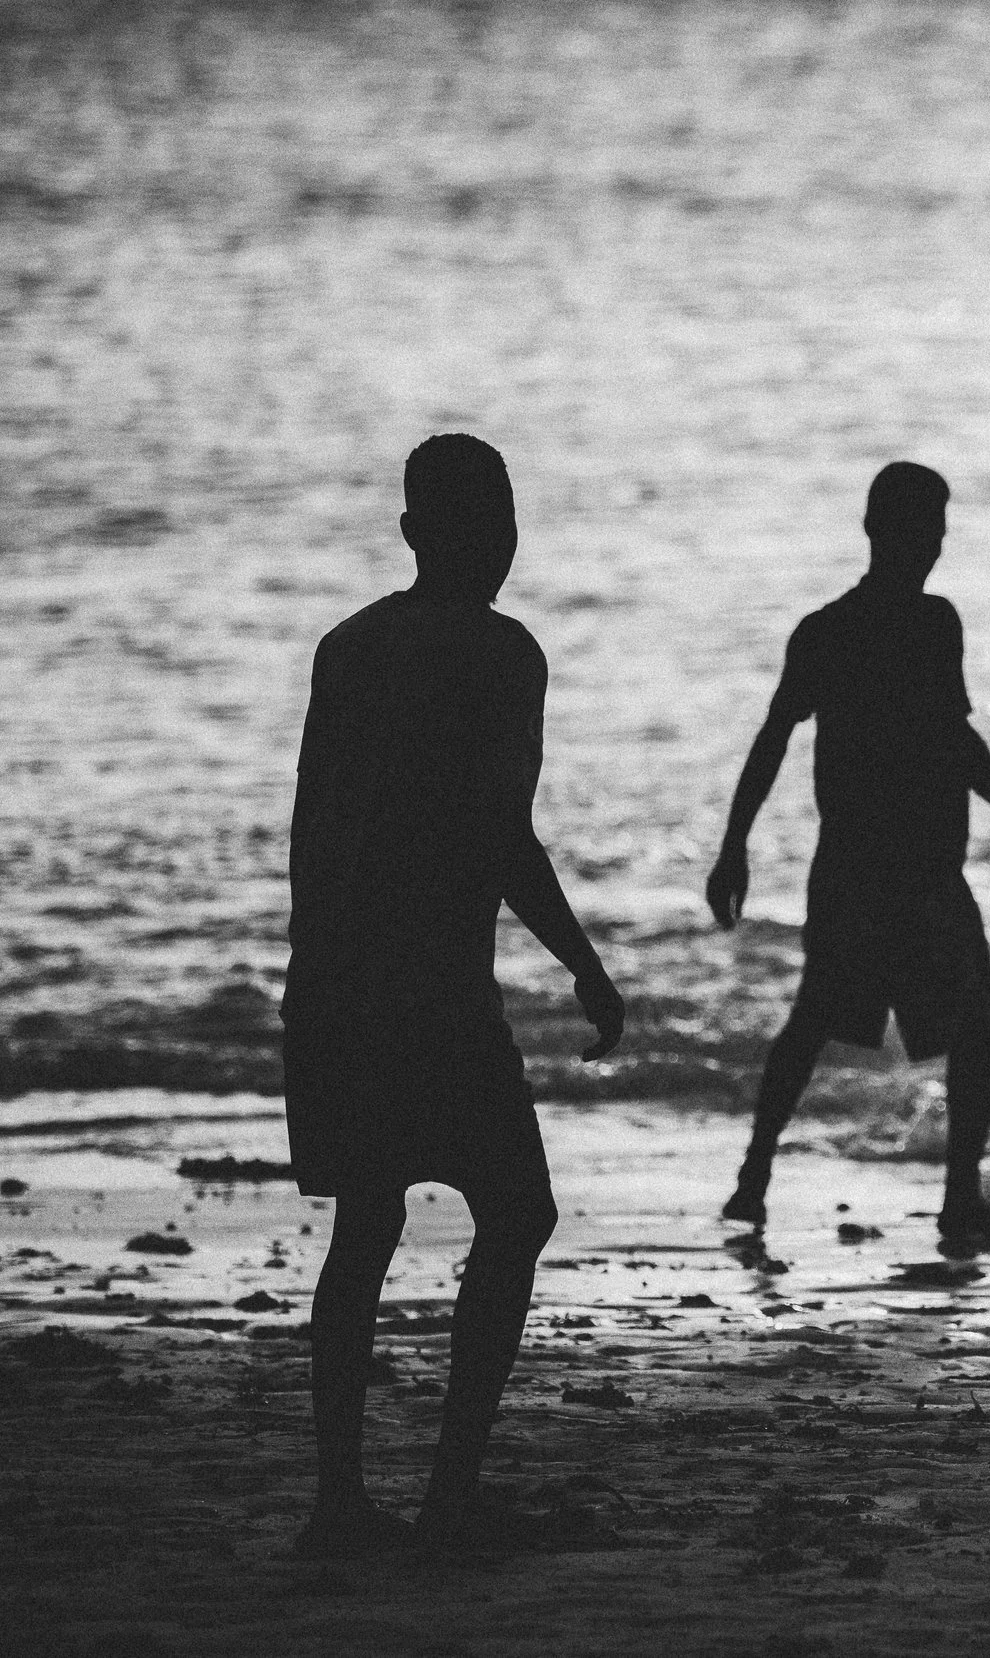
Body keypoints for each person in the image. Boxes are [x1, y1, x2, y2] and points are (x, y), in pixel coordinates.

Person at [283, 433, 626, 1559]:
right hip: (433, 993)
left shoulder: (350, 647)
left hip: (343, 981)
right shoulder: (502, 655)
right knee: (516, 1214)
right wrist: (582, 961)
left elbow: (312, 834)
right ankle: (444, 1504)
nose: (501, 542)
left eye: (505, 517)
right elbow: (499, 834)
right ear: (433, 534)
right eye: (490, 520)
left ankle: (344, 1502)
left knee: (367, 1224)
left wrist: (313, 987)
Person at [708, 462, 990, 1250]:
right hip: (873, 869)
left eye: (938, 528)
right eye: (919, 527)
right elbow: (774, 738)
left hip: (913, 867)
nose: (931, 544)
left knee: (959, 1025)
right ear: (876, 530)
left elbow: (956, 738)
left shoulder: (926, 624)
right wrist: (734, 845)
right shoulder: (835, 631)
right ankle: (761, 1175)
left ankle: (927, 1195)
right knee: (833, 1021)